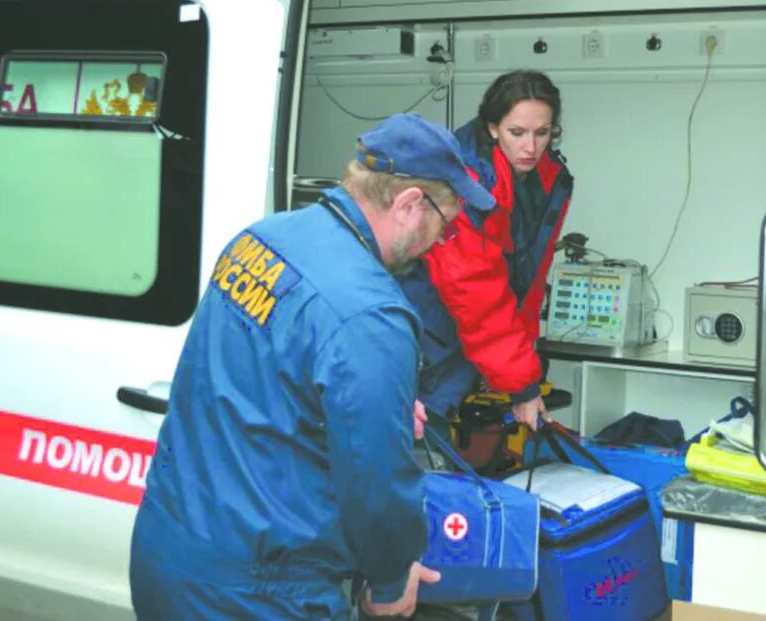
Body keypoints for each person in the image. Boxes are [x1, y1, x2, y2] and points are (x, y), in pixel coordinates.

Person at [129, 113, 496, 620]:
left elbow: (257, 380)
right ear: (410, 203)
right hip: (257, 590)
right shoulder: (372, 314)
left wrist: (375, 404)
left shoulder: (261, 239)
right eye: (445, 223)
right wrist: (390, 580)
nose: (440, 239)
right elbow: (378, 480)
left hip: (168, 546)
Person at [400, 70, 573, 434]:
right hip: (424, 338)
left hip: (471, 340)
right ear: (493, 128)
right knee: (418, 454)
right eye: (517, 133)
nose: (531, 147)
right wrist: (521, 383)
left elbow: (531, 278)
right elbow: (475, 291)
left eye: (542, 133)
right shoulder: (462, 182)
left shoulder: (548, 180)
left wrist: (523, 361)